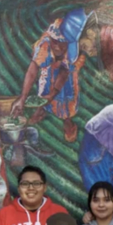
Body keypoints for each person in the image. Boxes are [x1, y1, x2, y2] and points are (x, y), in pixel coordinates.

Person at [10, 10, 89, 142]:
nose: (57, 47)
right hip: (50, 70)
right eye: (55, 42)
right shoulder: (47, 42)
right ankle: (41, 109)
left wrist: (53, 94)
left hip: (67, 74)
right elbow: (33, 68)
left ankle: (67, 121)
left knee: (66, 98)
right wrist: (22, 98)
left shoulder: (76, 49)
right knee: (44, 91)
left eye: (62, 44)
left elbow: (65, 71)